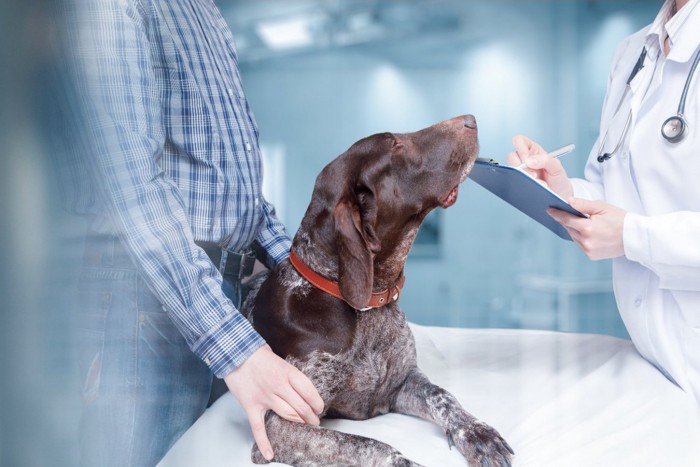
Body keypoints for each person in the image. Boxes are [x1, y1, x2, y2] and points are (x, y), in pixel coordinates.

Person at [63, 1, 324, 465]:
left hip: (217, 295)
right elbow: (135, 189)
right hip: (145, 298)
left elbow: (242, 195)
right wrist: (240, 353)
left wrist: (314, 284)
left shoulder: (202, 10)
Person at [508, 0, 700, 406]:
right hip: (654, 361)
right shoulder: (632, 53)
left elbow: (628, 226)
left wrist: (632, 236)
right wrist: (561, 191)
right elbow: (611, 186)